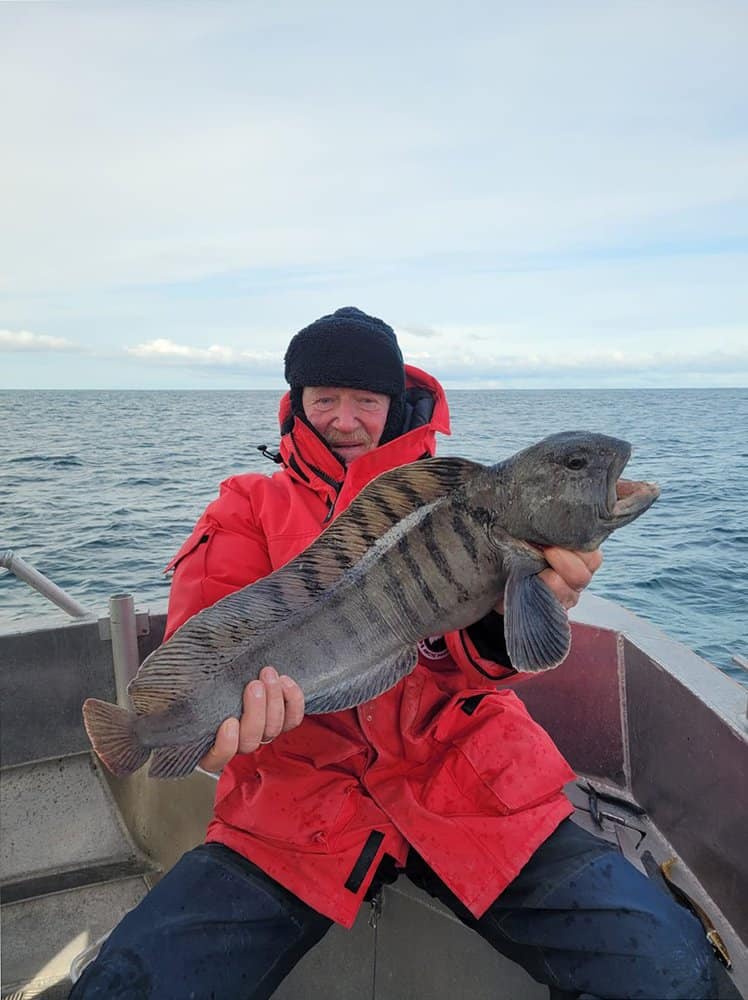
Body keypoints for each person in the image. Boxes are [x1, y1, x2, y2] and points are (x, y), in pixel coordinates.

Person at [71, 308, 717, 1000]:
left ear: (393, 403)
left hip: (464, 784)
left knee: (670, 970)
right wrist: (203, 736)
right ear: (297, 403)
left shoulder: (455, 498)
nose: (345, 418)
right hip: (296, 805)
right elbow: (203, 632)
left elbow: (481, 671)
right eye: (326, 399)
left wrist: (503, 622)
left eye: (366, 400)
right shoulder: (246, 505)